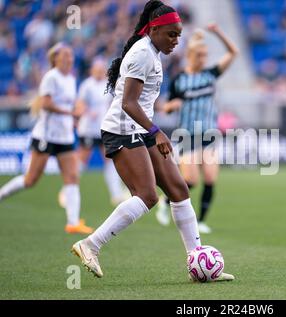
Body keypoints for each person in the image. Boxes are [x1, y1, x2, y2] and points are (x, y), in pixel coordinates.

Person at [70, 0, 234, 281]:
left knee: (179, 190)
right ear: (154, 29)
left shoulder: (153, 51)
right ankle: (90, 244)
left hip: (141, 129)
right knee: (147, 196)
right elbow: (128, 103)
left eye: (179, 34)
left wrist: (151, 128)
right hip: (123, 130)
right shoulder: (143, 54)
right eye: (171, 34)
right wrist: (156, 131)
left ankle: (197, 264)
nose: (176, 40)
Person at [0, 43, 94, 235]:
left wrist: (74, 117)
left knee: (72, 176)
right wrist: (70, 113)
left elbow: (68, 104)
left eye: (71, 55)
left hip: (65, 136)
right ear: (56, 59)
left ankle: (73, 223)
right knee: (31, 180)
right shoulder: (51, 77)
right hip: (46, 137)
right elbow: (47, 104)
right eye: (66, 55)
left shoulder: (70, 78)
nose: (70, 58)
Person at [156, 24, 239, 234]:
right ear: (191, 55)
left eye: (205, 55)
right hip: (187, 135)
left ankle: (201, 221)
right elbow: (164, 106)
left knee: (210, 179)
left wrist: (218, 32)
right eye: (200, 55)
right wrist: (169, 106)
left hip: (209, 133)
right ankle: (164, 203)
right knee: (190, 181)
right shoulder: (179, 80)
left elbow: (233, 52)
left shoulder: (211, 74)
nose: (204, 58)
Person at [75, 57, 129, 206]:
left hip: (104, 128)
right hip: (88, 129)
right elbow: (79, 105)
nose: (99, 72)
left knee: (110, 159)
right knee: (82, 158)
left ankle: (116, 194)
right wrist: (87, 111)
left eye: (101, 70)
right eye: (97, 69)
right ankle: (69, 189)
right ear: (92, 70)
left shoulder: (108, 85)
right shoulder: (87, 85)